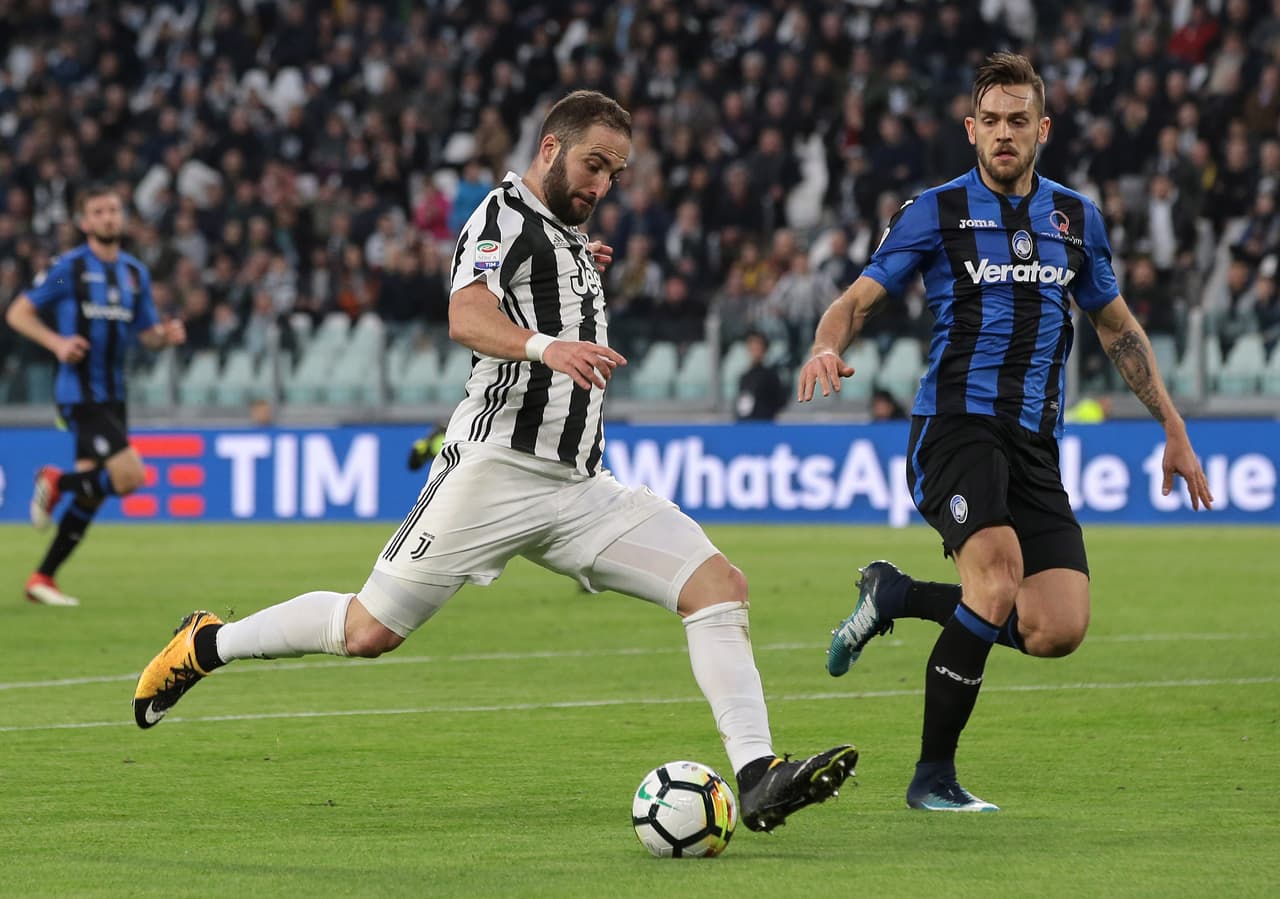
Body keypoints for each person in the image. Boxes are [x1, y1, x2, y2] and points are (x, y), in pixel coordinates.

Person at [133, 91, 855, 833]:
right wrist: (550, 346)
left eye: (615, 173)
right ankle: (206, 643)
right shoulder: (500, 216)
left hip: (581, 487)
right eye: (593, 164)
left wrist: (578, 270)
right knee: (368, 630)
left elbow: (545, 289)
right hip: (496, 469)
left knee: (716, 586)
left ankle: (759, 773)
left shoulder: (566, 234)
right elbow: (466, 314)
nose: (602, 185)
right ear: (550, 148)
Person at [797, 53, 1213, 812]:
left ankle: (894, 594)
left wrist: (1174, 428)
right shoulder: (935, 209)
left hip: (1033, 442)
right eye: (989, 121)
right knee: (994, 580)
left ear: (1042, 128)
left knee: (1056, 626)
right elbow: (855, 301)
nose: (1003, 133)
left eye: (1018, 120)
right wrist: (828, 344)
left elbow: (1118, 328)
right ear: (971, 128)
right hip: (955, 425)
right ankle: (933, 779)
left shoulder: (1076, 218)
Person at [5, 184, 186, 606]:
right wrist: (56, 344)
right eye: (99, 211)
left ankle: (42, 577)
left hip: (114, 394)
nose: (108, 217)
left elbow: (147, 336)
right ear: (85, 222)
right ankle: (53, 480)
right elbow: (18, 312)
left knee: (93, 491)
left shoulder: (134, 273)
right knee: (130, 477)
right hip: (79, 391)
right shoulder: (68, 267)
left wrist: (165, 337)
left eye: (114, 210)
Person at [735, 329, 788, 421]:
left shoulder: (770, 376)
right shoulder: (744, 377)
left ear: (764, 349)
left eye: (758, 347)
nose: (755, 350)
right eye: (752, 347)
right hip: (745, 424)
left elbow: (779, 401)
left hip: (764, 423)